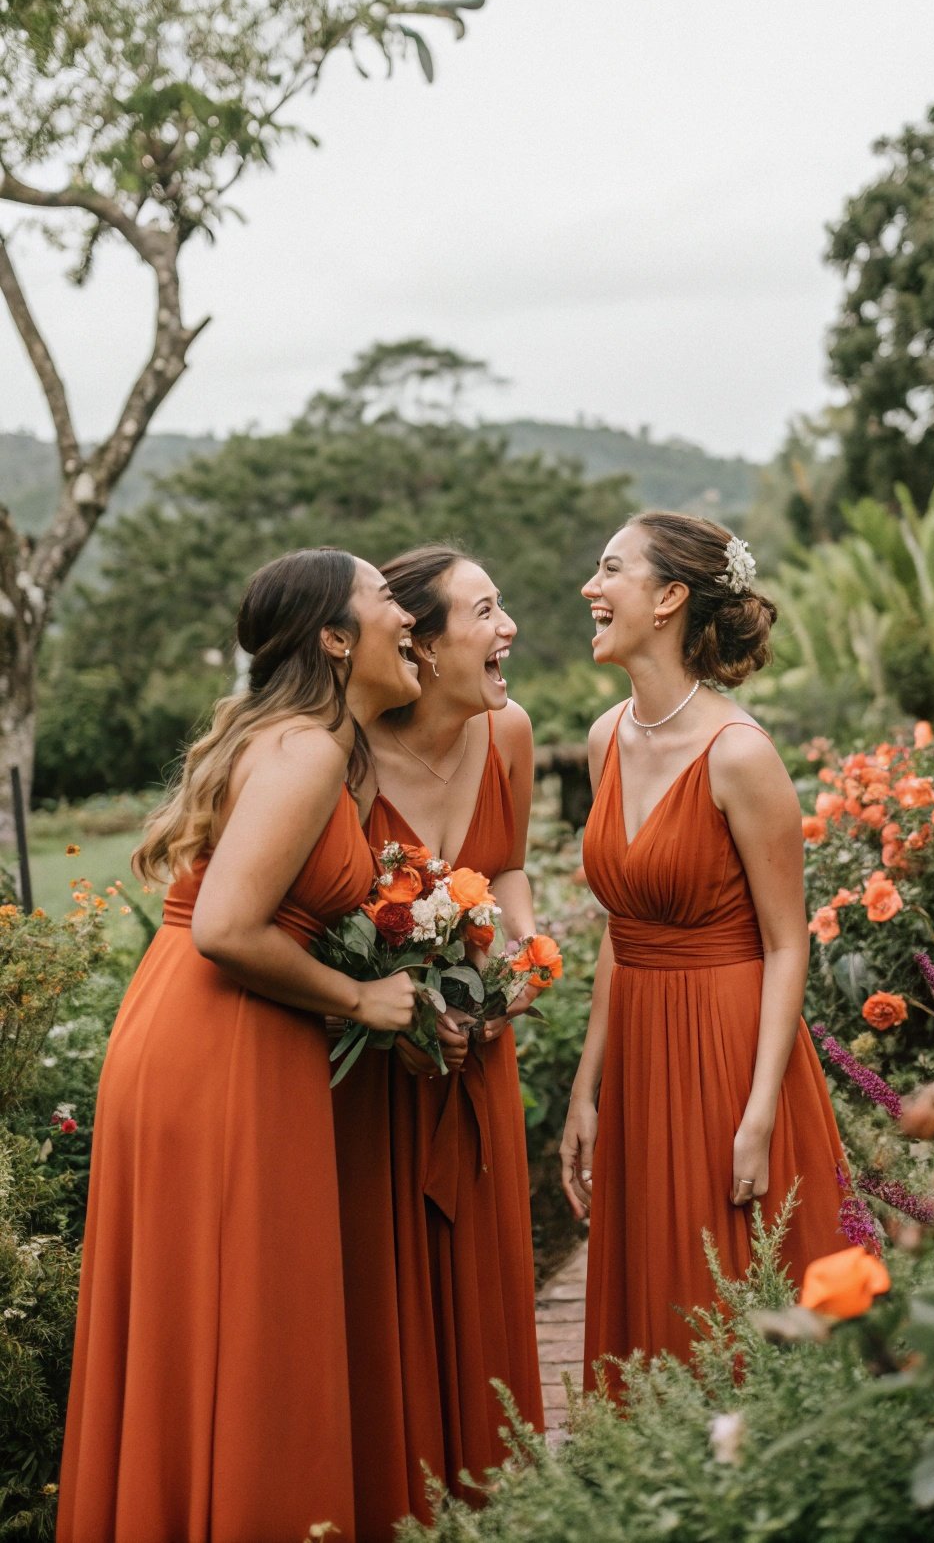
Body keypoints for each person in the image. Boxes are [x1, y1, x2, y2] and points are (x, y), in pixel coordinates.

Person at [57, 548, 418, 1543]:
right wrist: (358, 995)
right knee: (244, 1319)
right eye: (388, 599)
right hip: (221, 1035)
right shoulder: (303, 750)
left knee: (217, 1317)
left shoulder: (307, 741)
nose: (407, 612)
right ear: (337, 638)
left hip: (199, 1022)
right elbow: (227, 924)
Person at [559, 513, 844, 1386]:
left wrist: (759, 1113)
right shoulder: (607, 740)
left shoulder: (739, 755)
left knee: (725, 1291)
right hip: (641, 1047)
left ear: (670, 598)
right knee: (652, 1288)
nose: (590, 589)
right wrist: (586, 1088)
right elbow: (622, 927)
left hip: (727, 1051)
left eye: (611, 570)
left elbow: (787, 944)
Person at [335, 544, 545, 1539]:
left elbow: (503, 875)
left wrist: (521, 966)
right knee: (392, 1298)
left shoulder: (509, 734)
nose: (507, 630)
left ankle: (496, 1501)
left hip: (479, 1053)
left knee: (484, 1279)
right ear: (418, 640)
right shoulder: (352, 751)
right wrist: (404, 999)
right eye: (486, 611)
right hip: (378, 1068)